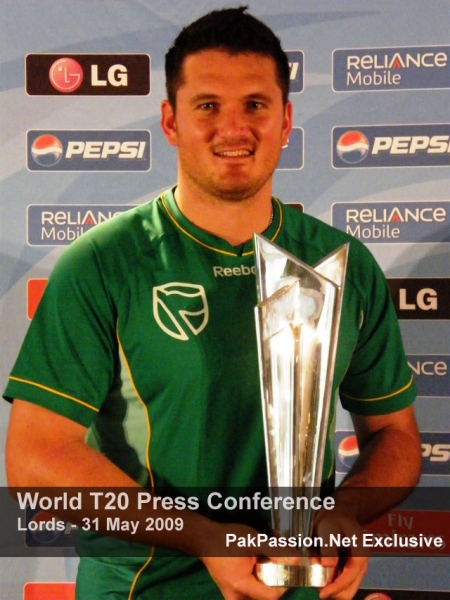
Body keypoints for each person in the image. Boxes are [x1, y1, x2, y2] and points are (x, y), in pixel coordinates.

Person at [4, 6, 421, 600]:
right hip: (146, 589)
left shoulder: (341, 265)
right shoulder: (104, 263)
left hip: (299, 587)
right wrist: (203, 536)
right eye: (208, 106)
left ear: (286, 120)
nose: (234, 128)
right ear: (171, 122)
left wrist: (344, 515)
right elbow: (36, 461)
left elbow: (395, 436)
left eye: (255, 104)